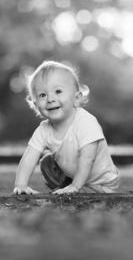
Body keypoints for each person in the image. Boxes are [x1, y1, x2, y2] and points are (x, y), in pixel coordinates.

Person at [13, 60, 119, 195]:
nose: (50, 99)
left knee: (79, 194)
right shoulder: (44, 129)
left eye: (58, 91)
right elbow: (29, 157)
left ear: (77, 98)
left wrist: (75, 187)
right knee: (46, 162)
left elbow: (87, 158)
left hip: (101, 182)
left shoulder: (86, 122)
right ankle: (66, 185)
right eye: (42, 95)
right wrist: (21, 185)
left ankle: (74, 188)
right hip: (74, 175)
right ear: (36, 105)